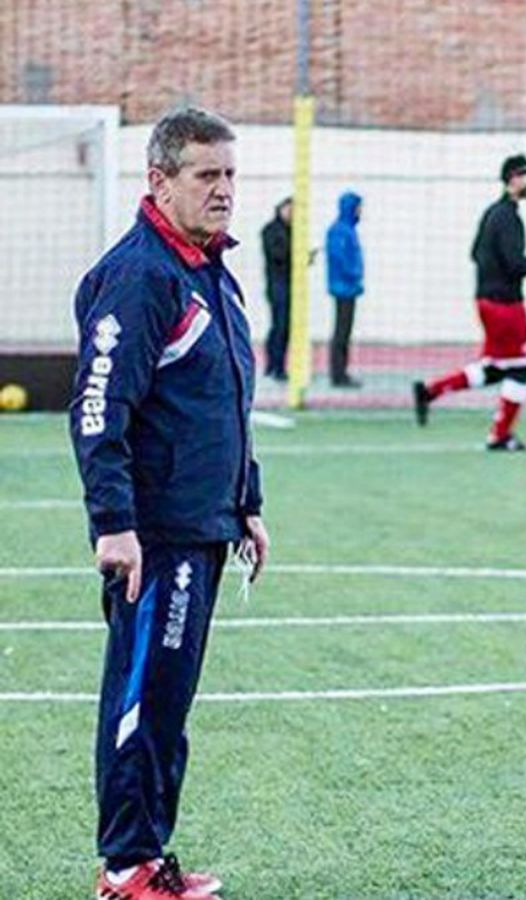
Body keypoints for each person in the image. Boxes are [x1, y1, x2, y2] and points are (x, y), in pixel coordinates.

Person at [70, 106, 269, 900]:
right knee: (143, 700)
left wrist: (246, 500)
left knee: (168, 704)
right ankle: (126, 869)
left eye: (230, 174)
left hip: (203, 524)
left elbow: (223, 398)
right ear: (160, 180)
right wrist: (114, 524)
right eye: (206, 176)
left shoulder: (207, 269)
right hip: (156, 536)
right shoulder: (142, 276)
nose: (223, 191)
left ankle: (149, 857)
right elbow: (97, 409)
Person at [413, 154, 526, 449]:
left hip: (488, 301)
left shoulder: (492, 213)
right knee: (521, 367)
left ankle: (430, 391)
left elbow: (476, 253)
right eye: (524, 175)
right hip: (505, 305)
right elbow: (513, 263)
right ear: (512, 180)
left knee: (497, 368)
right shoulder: (508, 217)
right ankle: (500, 434)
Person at [324, 190, 364, 388]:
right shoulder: (340, 230)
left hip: (349, 287)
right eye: (358, 207)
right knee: (341, 331)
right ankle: (338, 374)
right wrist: (354, 275)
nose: (361, 212)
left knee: (345, 332)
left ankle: (341, 371)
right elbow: (341, 259)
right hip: (343, 288)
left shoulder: (347, 229)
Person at [260, 197, 292, 381]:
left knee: (284, 327)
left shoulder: (293, 231)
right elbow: (277, 256)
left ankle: (276, 365)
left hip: (288, 285)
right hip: (277, 286)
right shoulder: (270, 230)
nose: (291, 213)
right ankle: (275, 366)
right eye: (289, 209)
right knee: (278, 326)